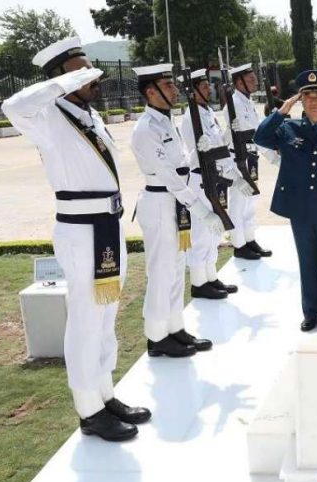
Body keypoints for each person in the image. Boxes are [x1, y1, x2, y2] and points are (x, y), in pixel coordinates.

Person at [3, 37, 150, 441]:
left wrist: (75, 82)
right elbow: (12, 106)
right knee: (86, 319)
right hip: (80, 230)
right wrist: (63, 84)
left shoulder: (88, 115)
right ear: (61, 79)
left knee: (106, 315)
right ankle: (88, 409)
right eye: (83, 73)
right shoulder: (48, 116)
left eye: (92, 71)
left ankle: (104, 393)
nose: (94, 78)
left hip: (108, 225)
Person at [254, 70, 317, 332]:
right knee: (307, 261)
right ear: (300, 100)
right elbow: (260, 138)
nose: (313, 100)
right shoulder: (288, 128)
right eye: (307, 95)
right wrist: (281, 111)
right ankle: (311, 312)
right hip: (300, 208)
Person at [130, 63, 216, 358]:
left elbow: (180, 164)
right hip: (159, 202)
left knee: (177, 267)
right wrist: (201, 208)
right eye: (168, 86)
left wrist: (197, 152)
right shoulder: (146, 129)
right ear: (150, 92)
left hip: (175, 202)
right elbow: (167, 174)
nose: (175, 89)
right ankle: (156, 337)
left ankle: (175, 327)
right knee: (162, 271)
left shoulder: (166, 121)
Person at [180, 68, 251, 299]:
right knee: (202, 232)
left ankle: (211, 276)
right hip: (200, 177)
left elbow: (219, 147)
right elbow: (191, 154)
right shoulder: (190, 117)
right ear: (192, 92)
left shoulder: (207, 113)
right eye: (202, 87)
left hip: (215, 175)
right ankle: (199, 283)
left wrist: (231, 134)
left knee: (214, 232)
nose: (208, 89)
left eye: (208, 85)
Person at [223, 63, 274, 260]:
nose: (255, 82)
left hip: (251, 157)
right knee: (238, 203)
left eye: (254, 78)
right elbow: (253, 132)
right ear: (239, 82)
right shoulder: (233, 103)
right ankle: (238, 244)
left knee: (251, 201)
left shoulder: (248, 102)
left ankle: (249, 238)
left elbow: (259, 130)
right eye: (251, 79)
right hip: (238, 159)